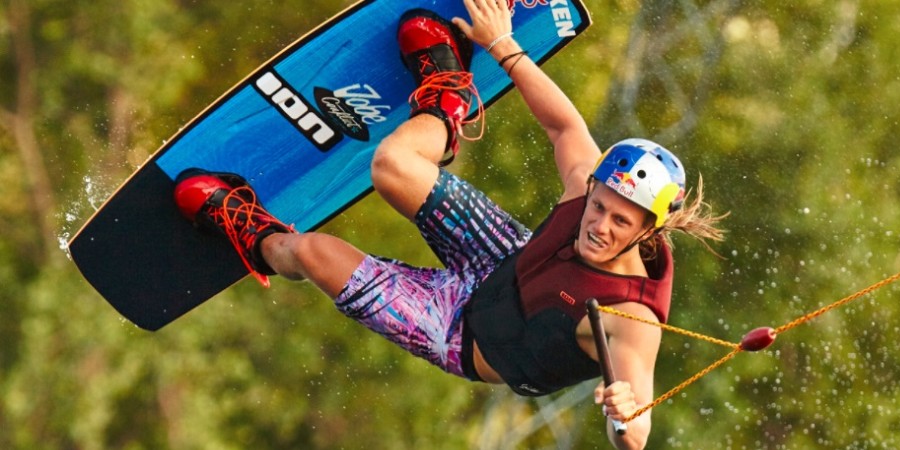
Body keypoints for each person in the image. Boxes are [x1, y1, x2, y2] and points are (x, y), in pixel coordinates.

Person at [173, 0, 724, 448]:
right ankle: (448, 96)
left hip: (460, 332)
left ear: (649, 230)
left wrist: (626, 416)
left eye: (619, 221)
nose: (598, 224)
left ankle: (255, 233)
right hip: (505, 257)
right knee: (391, 167)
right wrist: (502, 44)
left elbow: (636, 430)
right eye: (599, 206)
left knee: (315, 253)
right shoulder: (588, 190)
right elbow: (563, 126)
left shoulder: (632, 318)